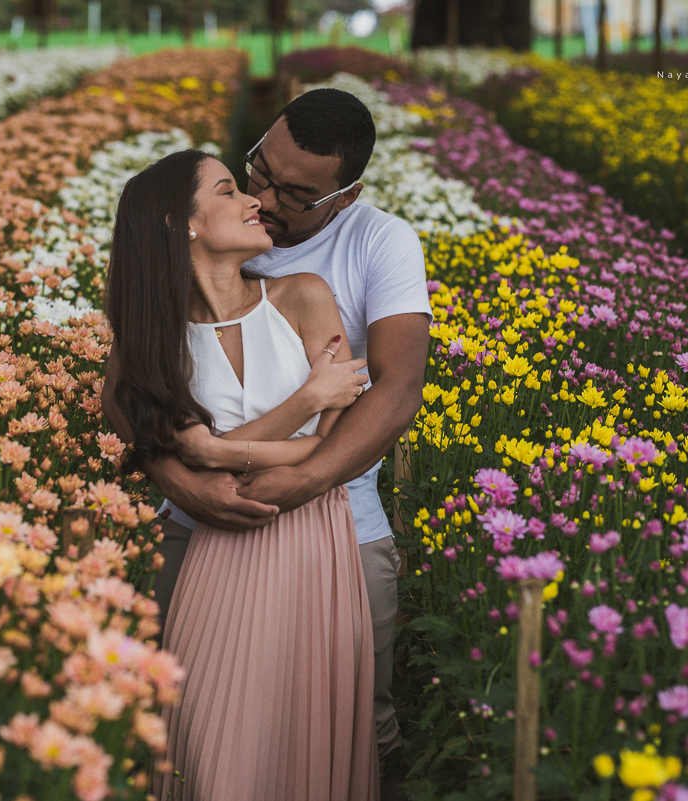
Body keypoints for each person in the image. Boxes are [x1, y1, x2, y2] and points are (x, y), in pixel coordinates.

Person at [112, 89, 433, 789]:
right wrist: (186, 478)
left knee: (351, 721)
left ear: (343, 197)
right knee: (196, 727)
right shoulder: (190, 273)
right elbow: (131, 390)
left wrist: (298, 474)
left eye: (294, 193)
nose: (265, 197)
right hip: (200, 532)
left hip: (338, 530)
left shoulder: (373, 245)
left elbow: (395, 388)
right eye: (256, 172)